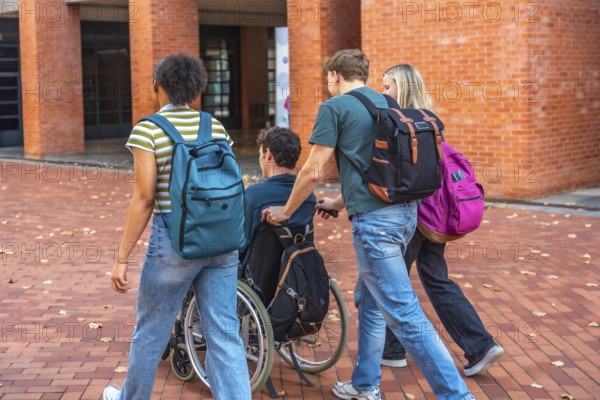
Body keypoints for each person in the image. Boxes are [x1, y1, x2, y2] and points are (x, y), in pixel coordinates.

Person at [265, 49, 474, 400]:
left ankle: (456, 395)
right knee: (370, 299)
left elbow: (313, 170)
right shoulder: (387, 101)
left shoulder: (334, 108)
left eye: (328, 77)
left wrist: (287, 210)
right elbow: (378, 163)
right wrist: (339, 201)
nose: (327, 82)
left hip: (376, 225)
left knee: (404, 313)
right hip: (407, 215)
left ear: (334, 76)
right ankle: (364, 385)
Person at [103, 53, 251, 400]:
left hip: (174, 240)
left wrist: (121, 257)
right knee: (224, 332)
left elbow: (144, 198)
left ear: (158, 86)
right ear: (196, 89)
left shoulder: (148, 129)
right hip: (221, 240)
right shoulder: (213, 126)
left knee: (150, 331)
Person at [380, 64, 504, 376]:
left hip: (415, 216)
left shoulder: (400, 123)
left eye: (387, 87)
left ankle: (392, 351)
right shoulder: (430, 119)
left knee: (390, 281)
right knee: (435, 279)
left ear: (403, 89)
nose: (383, 93)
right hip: (434, 215)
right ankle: (480, 345)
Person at [242, 126, 316, 304]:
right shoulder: (307, 197)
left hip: (259, 285)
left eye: (260, 154)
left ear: (268, 154)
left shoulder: (254, 196)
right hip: (296, 281)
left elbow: (241, 243)